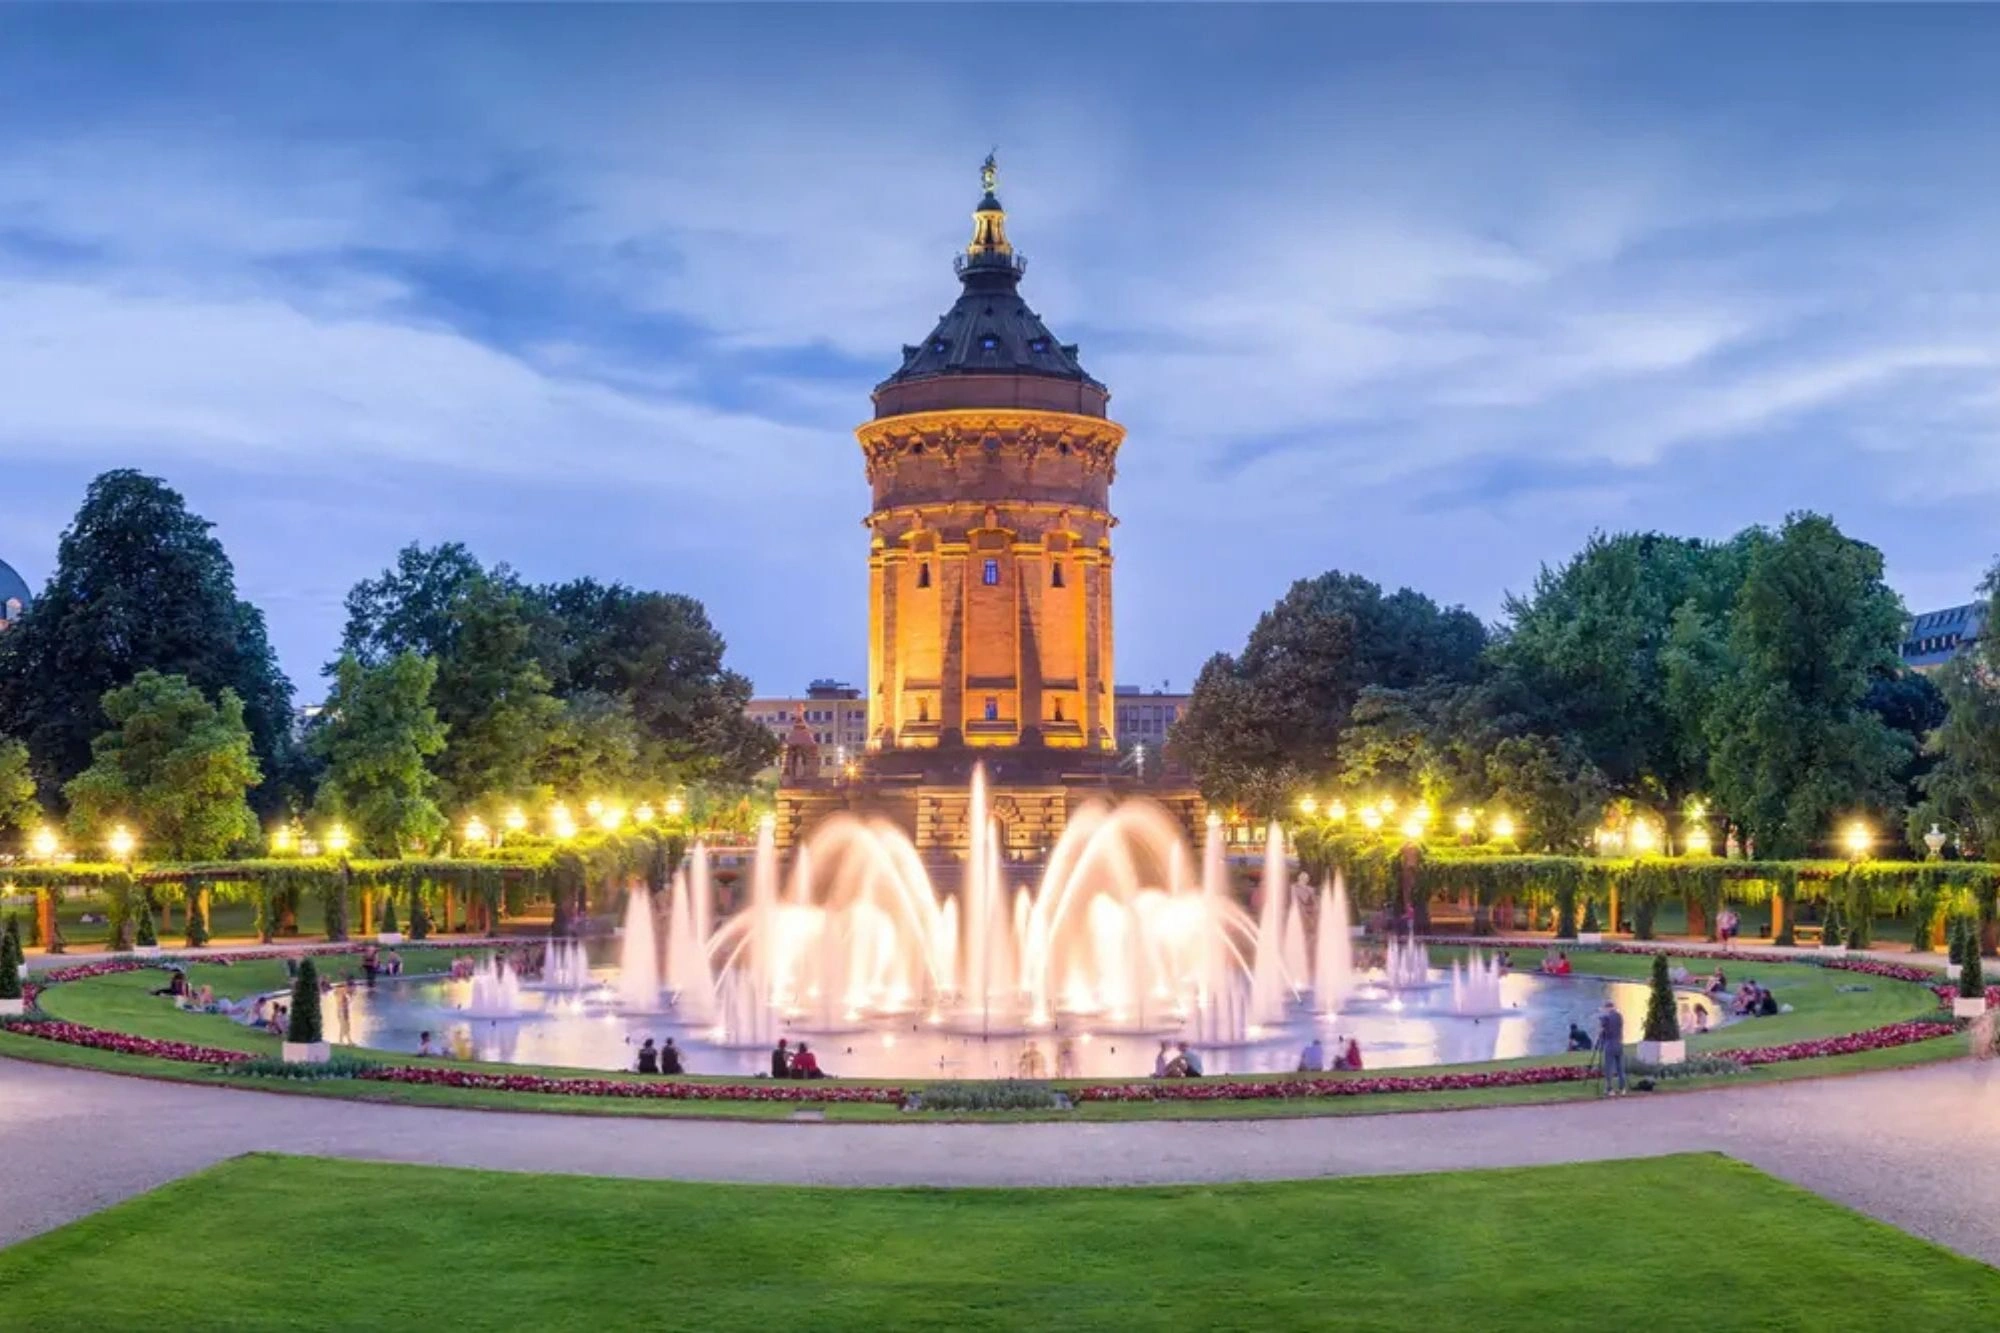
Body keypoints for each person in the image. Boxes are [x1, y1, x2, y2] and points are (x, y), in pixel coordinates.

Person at [1596, 1000, 1626, 1096]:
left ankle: (1610, 1089)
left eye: (1605, 1008)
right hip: (1619, 1043)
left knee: (1609, 1068)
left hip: (1610, 1043)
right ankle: (1622, 1089)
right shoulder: (1619, 1016)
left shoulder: (1606, 1017)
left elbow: (1601, 1030)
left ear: (1608, 1008)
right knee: (1620, 1067)